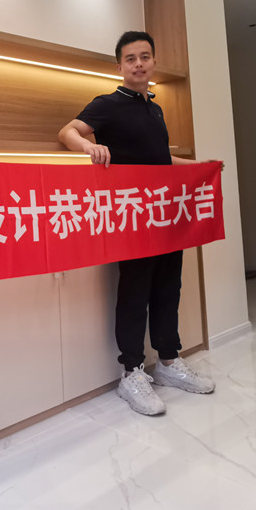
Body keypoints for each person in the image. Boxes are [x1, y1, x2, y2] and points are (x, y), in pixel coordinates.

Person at [58, 30, 216, 416]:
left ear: (154, 62)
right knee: (135, 291)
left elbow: (158, 160)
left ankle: (168, 361)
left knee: (168, 287)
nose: (139, 64)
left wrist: (198, 168)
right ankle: (131, 372)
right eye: (131, 59)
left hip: (165, 214)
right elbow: (67, 131)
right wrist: (90, 146)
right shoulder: (108, 103)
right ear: (120, 66)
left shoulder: (155, 109)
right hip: (131, 217)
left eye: (145, 57)